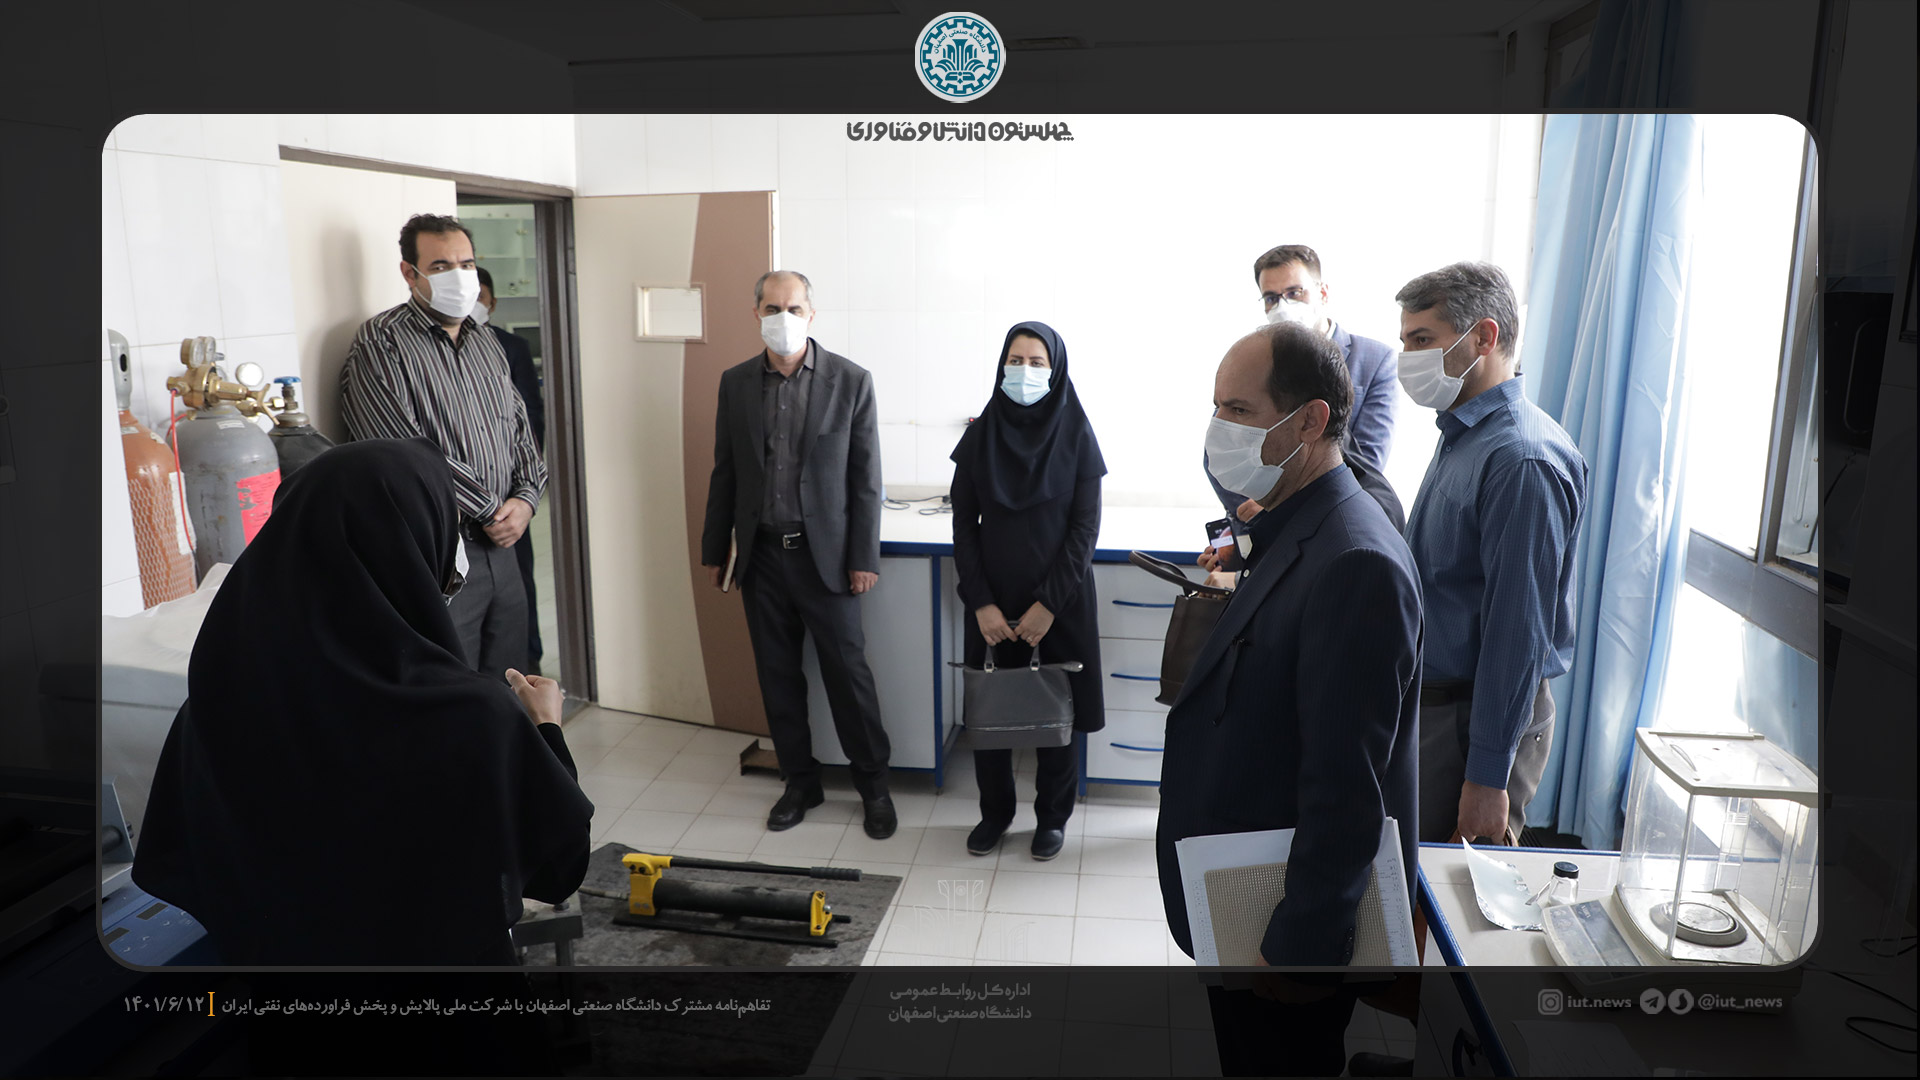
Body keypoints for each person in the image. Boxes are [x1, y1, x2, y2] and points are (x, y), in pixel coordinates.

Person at [132, 438, 594, 966]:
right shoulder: (472, 718)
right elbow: (559, 867)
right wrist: (546, 728)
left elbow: (183, 863)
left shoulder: (212, 707)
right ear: (411, 542)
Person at [1157, 322, 1423, 1076]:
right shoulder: (1293, 525)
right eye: (1216, 407)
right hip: (1242, 891)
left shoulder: (1355, 561)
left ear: (1309, 421)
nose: (1218, 428)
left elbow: (1347, 787)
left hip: (1281, 920)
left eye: (1238, 410)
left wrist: (1301, 945)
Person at [1394, 261, 1588, 847]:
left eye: (1421, 340)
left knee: (1450, 882)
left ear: (1483, 337)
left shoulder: (1521, 459)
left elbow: (1516, 632)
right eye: (1404, 342)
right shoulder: (1464, 434)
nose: (1407, 358)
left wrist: (1486, 777)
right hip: (1434, 708)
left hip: (1473, 719)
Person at [699, 270, 894, 839]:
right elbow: (725, 471)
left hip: (826, 560)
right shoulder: (736, 383)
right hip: (761, 557)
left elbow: (866, 481)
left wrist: (864, 558)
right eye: (772, 307)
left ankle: (874, 787)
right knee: (778, 677)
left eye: (794, 307)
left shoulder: (850, 381)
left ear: (811, 314)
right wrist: (715, 548)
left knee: (848, 678)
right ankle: (800, 782)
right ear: (756, 313)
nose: (782, 317)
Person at [340, 213, 546, 680]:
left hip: (505, 547)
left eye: (466, 264)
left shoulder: (485, 342)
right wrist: (491, 510)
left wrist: (527, 498)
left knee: (510, 683)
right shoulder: (382, 342)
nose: (459, 276)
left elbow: (519, 429)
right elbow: (402, 451)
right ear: (409, 274)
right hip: (439, 554)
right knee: (450, 685)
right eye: (441, 266)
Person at [949, 322, 1107, 861]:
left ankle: (1051, 820)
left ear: (1055, 370)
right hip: (991, 603)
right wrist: (981, 603)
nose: (1024, 371)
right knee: (990, 714)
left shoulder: (1077, 435)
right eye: (1015, 361)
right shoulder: (981, 436)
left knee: (1055, 718)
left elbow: (1084, 531)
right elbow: (963, 528)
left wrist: (1048, 606)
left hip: (1059, 603)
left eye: (1037, 362)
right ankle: (994, 815)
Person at [1201, 245, 1403, 576]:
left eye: (1295, 293)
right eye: (1272, 298)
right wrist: (1253, 512)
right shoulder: (1253, 359)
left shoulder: (1375, 359)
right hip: (1259, 533)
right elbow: (1222, 448)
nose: (1283, 306)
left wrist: (1276, 506)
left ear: (1322, 293)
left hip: (1324, 527)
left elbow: (1366, 462)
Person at [476, 265, 548, 676]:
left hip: (511, 498)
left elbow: (529, 421)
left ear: (492, 302)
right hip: (470, 508)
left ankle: (530, 661)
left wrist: (524, 494)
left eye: (479, 295)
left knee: (521, 580)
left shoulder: (509, 347)